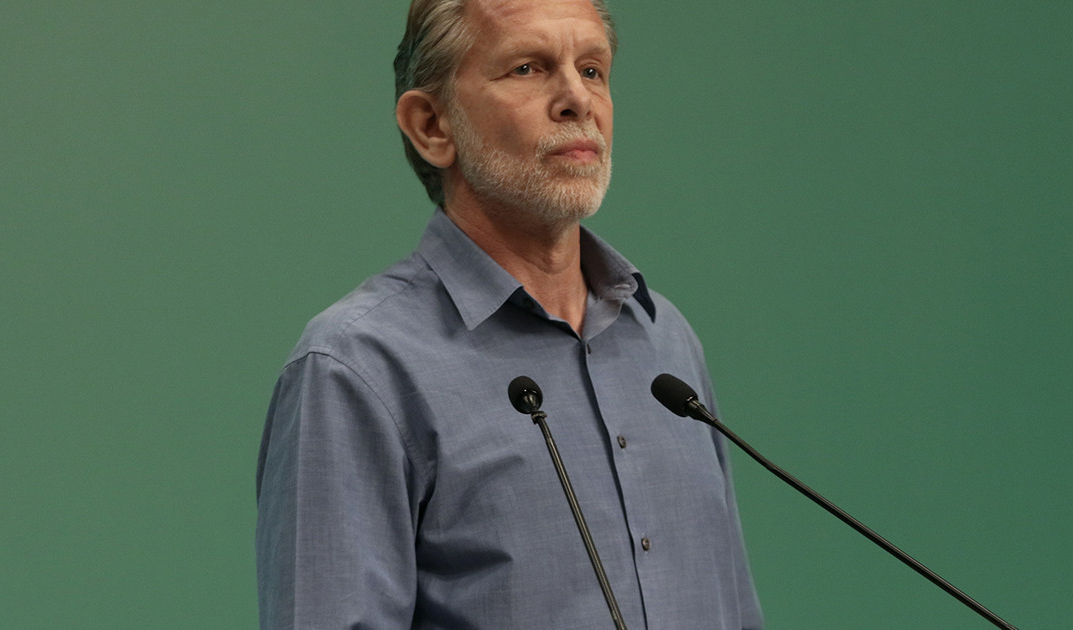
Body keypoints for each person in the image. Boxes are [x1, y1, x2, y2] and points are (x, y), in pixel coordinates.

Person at [255, 0, 763, 627]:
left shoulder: (665, 342)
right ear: (432, 126)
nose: (577, 99)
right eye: (528, 68)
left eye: (593, 70)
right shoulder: (356, 368)